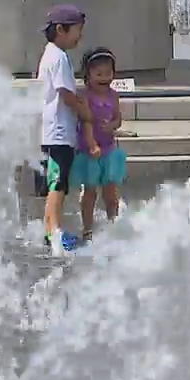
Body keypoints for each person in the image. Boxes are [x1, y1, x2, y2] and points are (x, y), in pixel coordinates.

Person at [37, 4, 96, 252]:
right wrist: (83, 110)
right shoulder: (58, 57)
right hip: (58, 133)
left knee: (55, 182)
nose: (79, 36)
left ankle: (50, 228)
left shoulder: (51, 54)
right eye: (77, 31)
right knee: (57, 184)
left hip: (55, 131)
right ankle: (54, 232)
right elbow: (65, 93)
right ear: (60, 30)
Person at [69, 47, 128, 241]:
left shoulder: (113, 95)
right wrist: (92, 144)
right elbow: (85, 122)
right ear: (88, 74)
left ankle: (113, 223)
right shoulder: (85, 96)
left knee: (111, 190)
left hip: (109, 149)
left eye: (108, 73)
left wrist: (112, 125)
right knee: (91, 191)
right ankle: (87, 227)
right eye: (99, 74)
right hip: (89, 151)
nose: (104, 78)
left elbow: (118, 118)